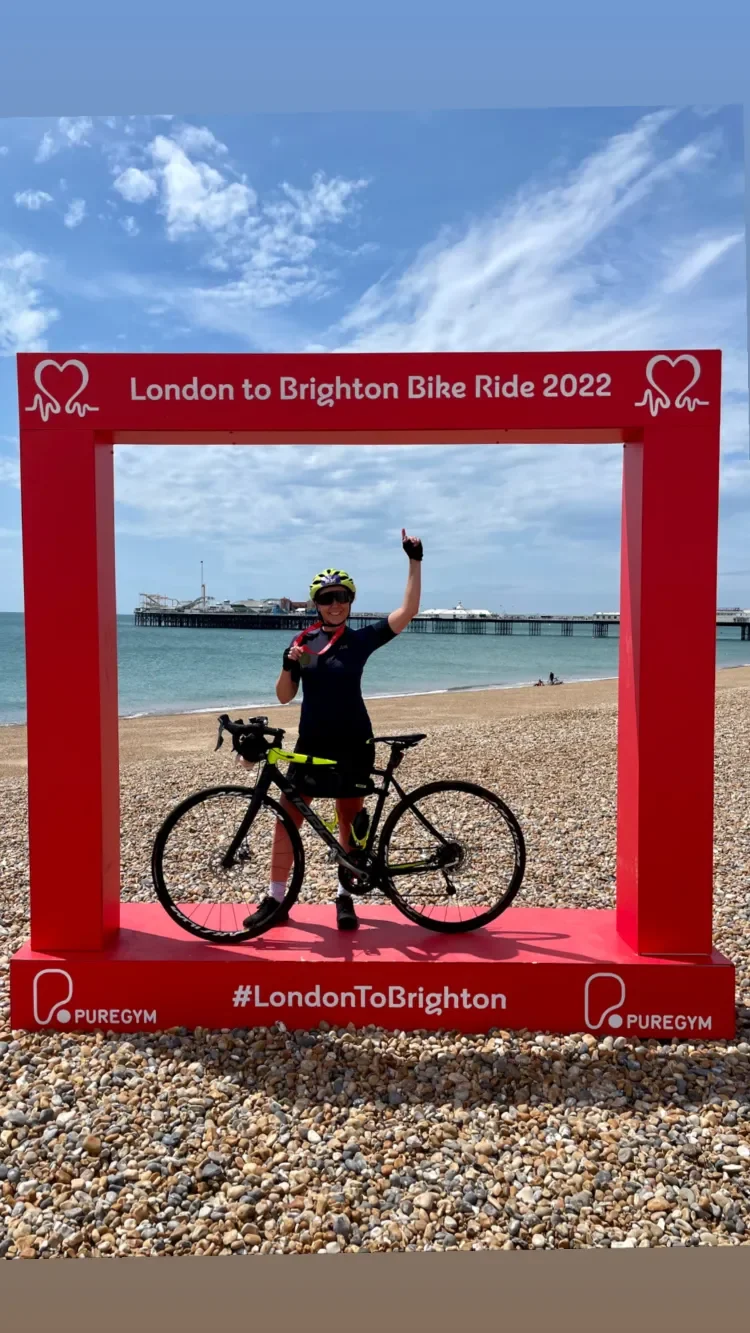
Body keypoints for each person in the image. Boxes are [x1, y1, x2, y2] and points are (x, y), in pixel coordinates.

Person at [245, 529, 423, 932]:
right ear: (317, 604)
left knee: (348, 821)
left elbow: (407, 611)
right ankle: (275, 899)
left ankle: (345, 897)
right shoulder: (303, 641)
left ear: (350, 601)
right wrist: (289, 665)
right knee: (287, 819)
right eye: (327, 598)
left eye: (341, 596)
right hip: (311, 743)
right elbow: (283, 697)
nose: (335, 604)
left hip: (352, 743)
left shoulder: (359, 641)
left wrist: (414, 560)